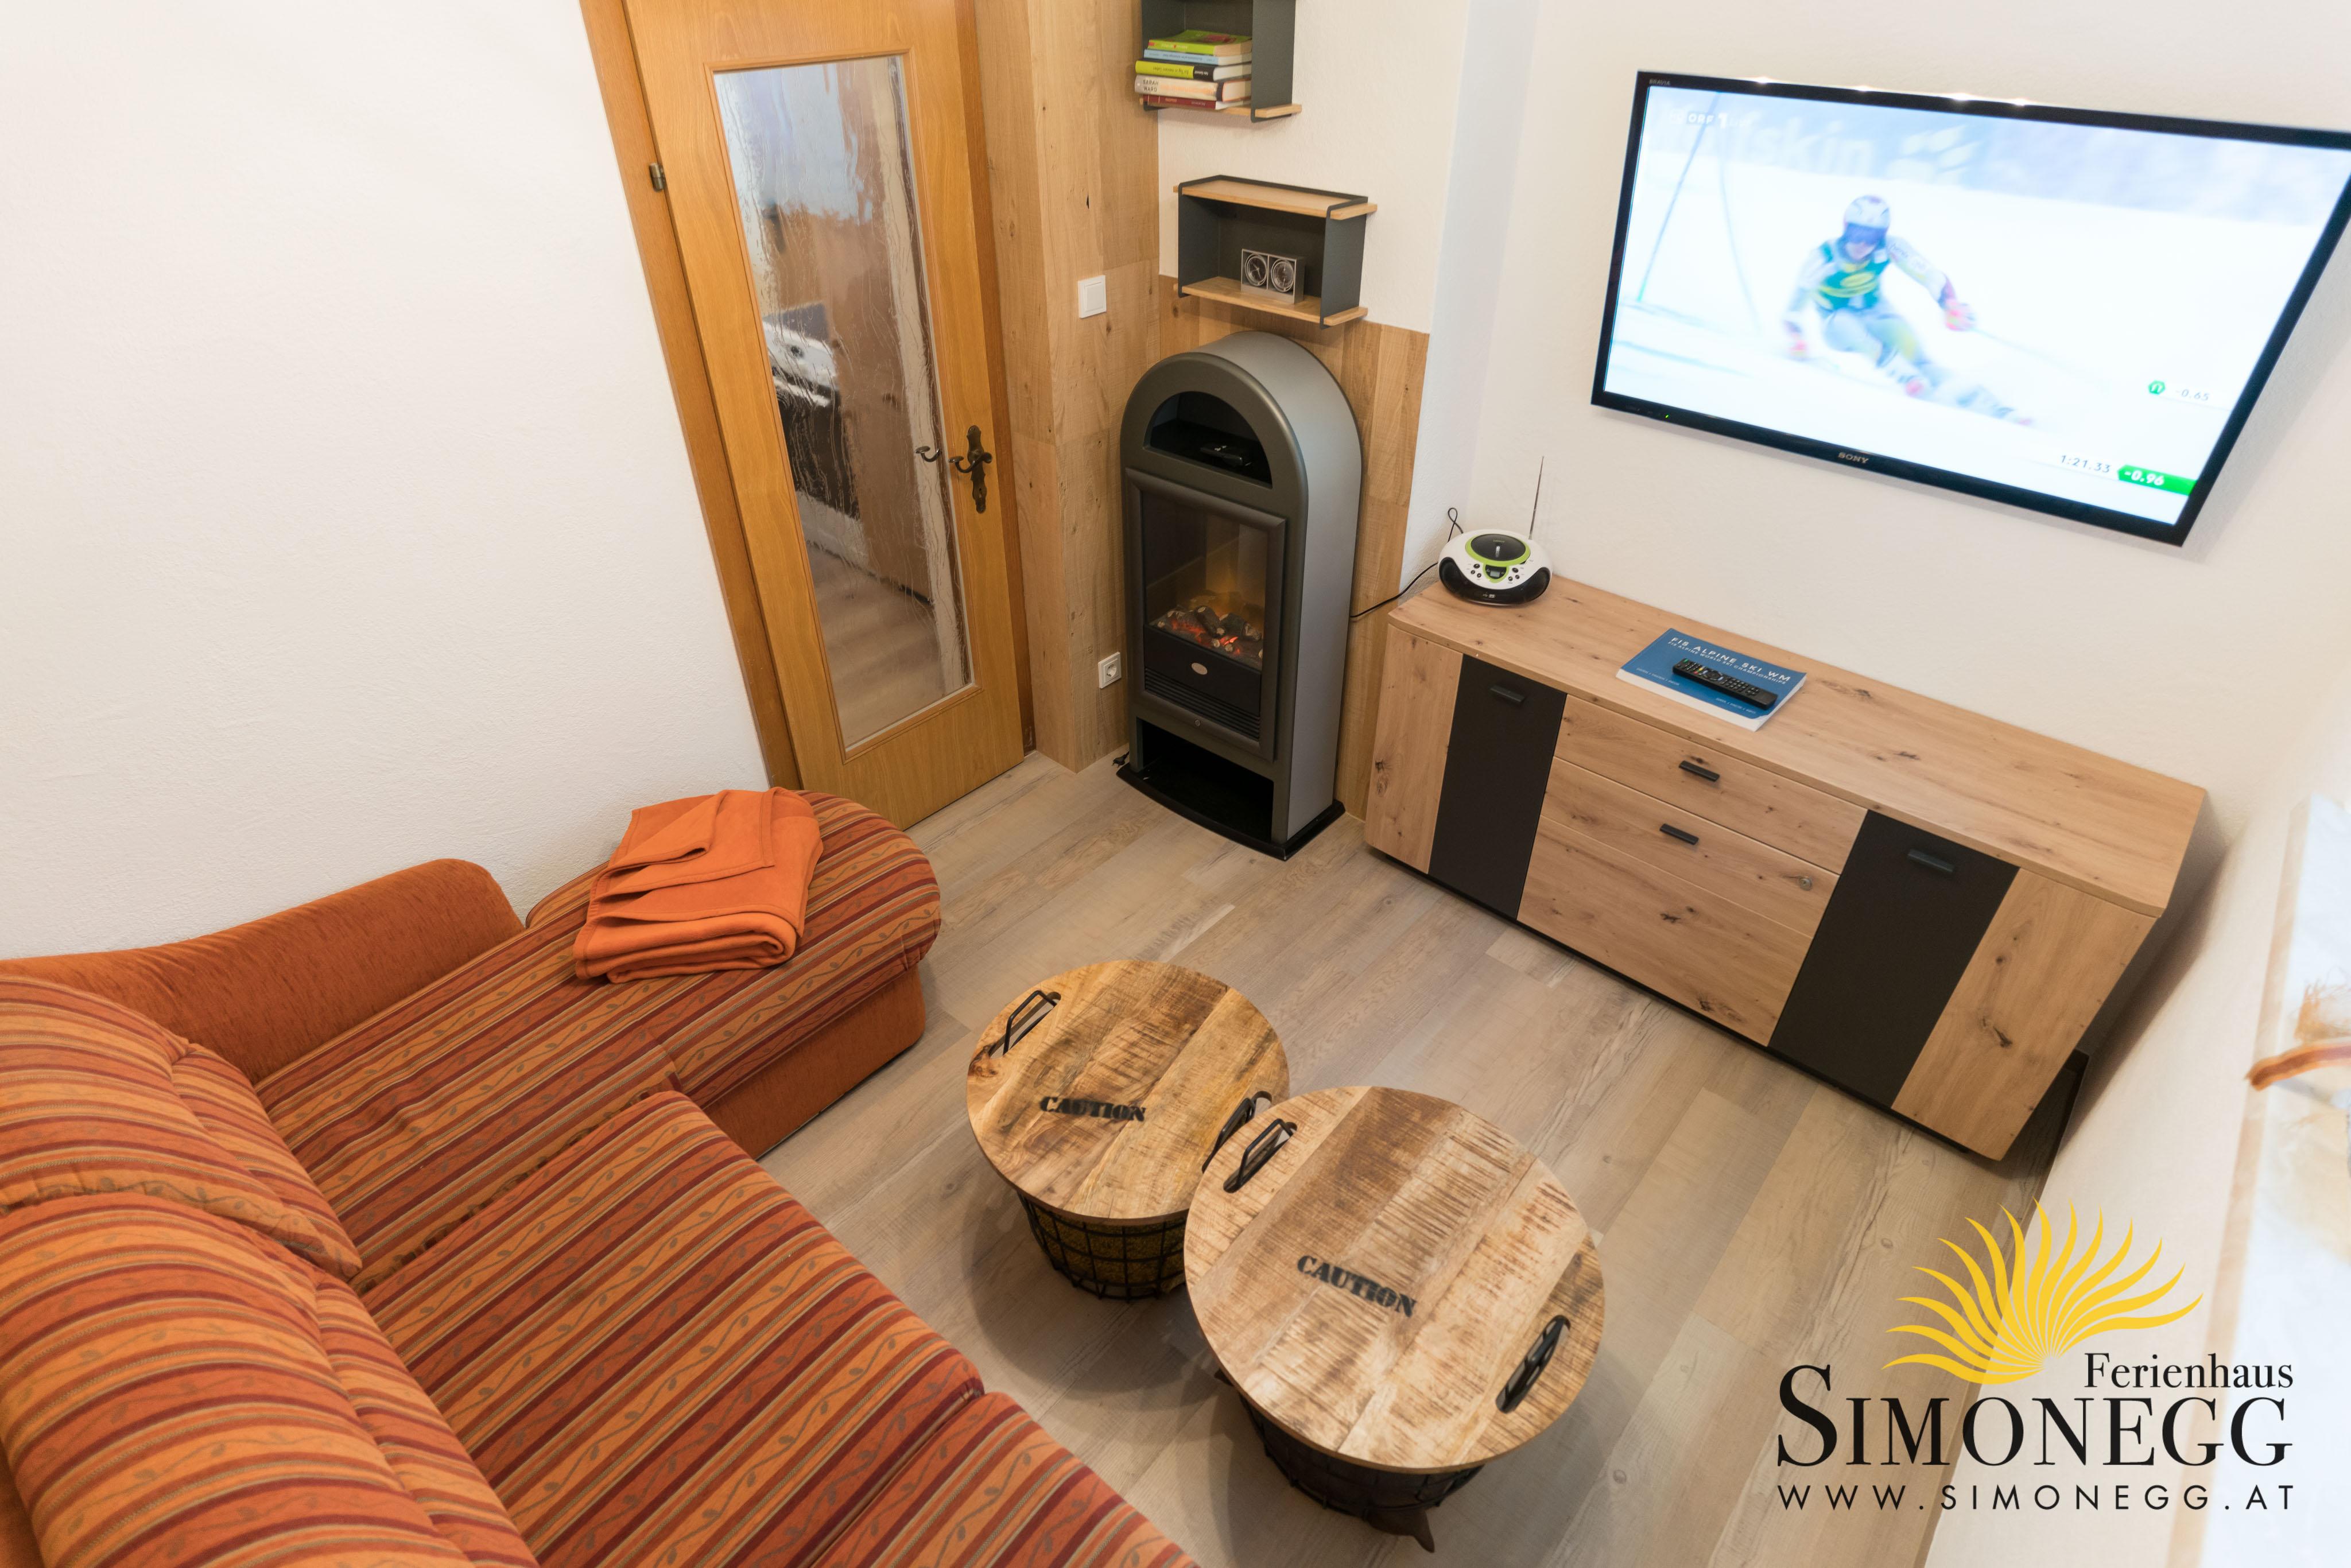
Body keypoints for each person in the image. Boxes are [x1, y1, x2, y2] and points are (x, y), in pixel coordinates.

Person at [1782, 196, 2023, 421]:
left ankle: (1988, 404)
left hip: (1876, 314)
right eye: (1857, 233)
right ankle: (1908, 378)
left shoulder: (1890, 247)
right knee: (1845, 322)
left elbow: (1930, 275)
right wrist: (1796, 338)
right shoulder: (1824, 257)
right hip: (1837, 327)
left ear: (1882, 235)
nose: (1863, 244)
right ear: (1846, 228)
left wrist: (1950, 304)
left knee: (1916, 354)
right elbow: (1793, 310)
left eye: (1872, 236)